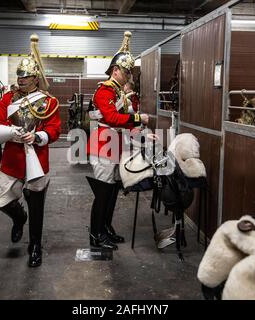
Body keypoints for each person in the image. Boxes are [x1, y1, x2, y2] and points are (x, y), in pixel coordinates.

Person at [0, 34, 61, 267]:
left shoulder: (49, 102)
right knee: (2, 201)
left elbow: (54, 129)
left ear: (35, 78)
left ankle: (35, 246)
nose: (21, 79)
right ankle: (19, 219)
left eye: (26, 76)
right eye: (19, 75)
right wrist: (12, 133)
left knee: (37, 207)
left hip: (37, 160)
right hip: (12, 159)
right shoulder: (8, 98)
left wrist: (38, 136)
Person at [87, 31, 151, 250]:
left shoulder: (118, 93)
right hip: (103, 145)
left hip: (116, 144)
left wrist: (139, 130)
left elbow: (122, 122)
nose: (129, 76)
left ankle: (106, 228)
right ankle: (96, 234)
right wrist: (137, 118)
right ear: (115, 70)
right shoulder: (104, 91)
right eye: (126, 72)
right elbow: (113, 118)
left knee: (112, 191)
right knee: (103, 192)